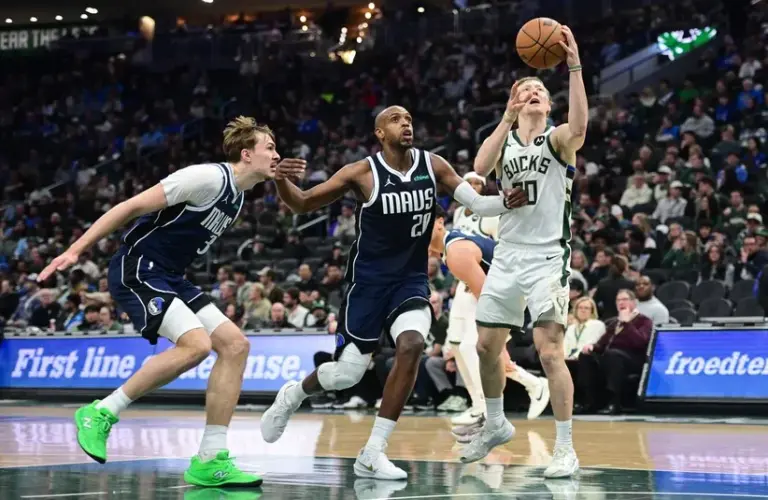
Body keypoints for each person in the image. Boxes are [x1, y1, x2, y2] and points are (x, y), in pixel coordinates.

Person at [260, 105, 527, 481]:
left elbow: (478, 203)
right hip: (367, 285)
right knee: (346, 375)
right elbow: (302, 203)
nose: (406, 125)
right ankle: (293, 395)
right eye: (396, 120)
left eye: (409, 120)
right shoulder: (361, 173)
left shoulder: (433, 165)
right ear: (380, 133)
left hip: (409, 281)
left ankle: (373, 451)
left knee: (413, 345)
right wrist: (278, 179)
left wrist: (506, 201)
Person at [38, 116, 280, 488]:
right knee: (197, 345)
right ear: (247, 155)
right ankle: (100, 412)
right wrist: (74, 251)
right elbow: (130, 207)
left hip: (170, 276)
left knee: (235, 345)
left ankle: (209, 459)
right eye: (270, 148)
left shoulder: (238, 196)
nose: (276, 155)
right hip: (137, 269)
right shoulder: (207, 178)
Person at [466, 25, 586, 478]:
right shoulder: (506, 142)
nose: (532, 93)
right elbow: (478, 168)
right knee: (484, 345)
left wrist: (572, 65)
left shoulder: (558, 139)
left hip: (547, 258)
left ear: (549, 102)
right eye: (525, 90)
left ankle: (565, 448)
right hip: (508, 253)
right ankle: (496, 423)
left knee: (550, 352)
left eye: (539, 89)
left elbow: (580, 126)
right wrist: (504, 118)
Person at [427, 209, 550, 426]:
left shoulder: (456, 251)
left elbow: (486, 295)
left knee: (474, 348)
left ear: (439, 223)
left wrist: (495, 339)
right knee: (465, 348)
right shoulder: (449, 249)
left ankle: (487, 409)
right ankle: (530, 386)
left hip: (516, 298)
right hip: (504, 293)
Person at [448, 171, 500, 427]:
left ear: (483, 187)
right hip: (462, 284)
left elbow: (500, 250)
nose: (473, 186)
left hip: (479, 284)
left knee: (473, 346)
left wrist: (480, 277)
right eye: (469, 183)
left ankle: (486, 406)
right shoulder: (458, 214)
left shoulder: (489, 213)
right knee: (455, 344)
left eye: (478, 183)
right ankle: (476, 404)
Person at [576, 289, 652, 415]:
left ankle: (614, 402)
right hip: (611, 358)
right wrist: (592, 347)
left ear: (634, 302)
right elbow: (602, 344)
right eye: (618, 300)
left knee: (613, 354)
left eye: (624, 300)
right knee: (586, 356)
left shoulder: (644, 321)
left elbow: (641, 342)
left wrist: (627, 324)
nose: (621, 303)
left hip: (633, 360)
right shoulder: (614, 323)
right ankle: (588, 401)